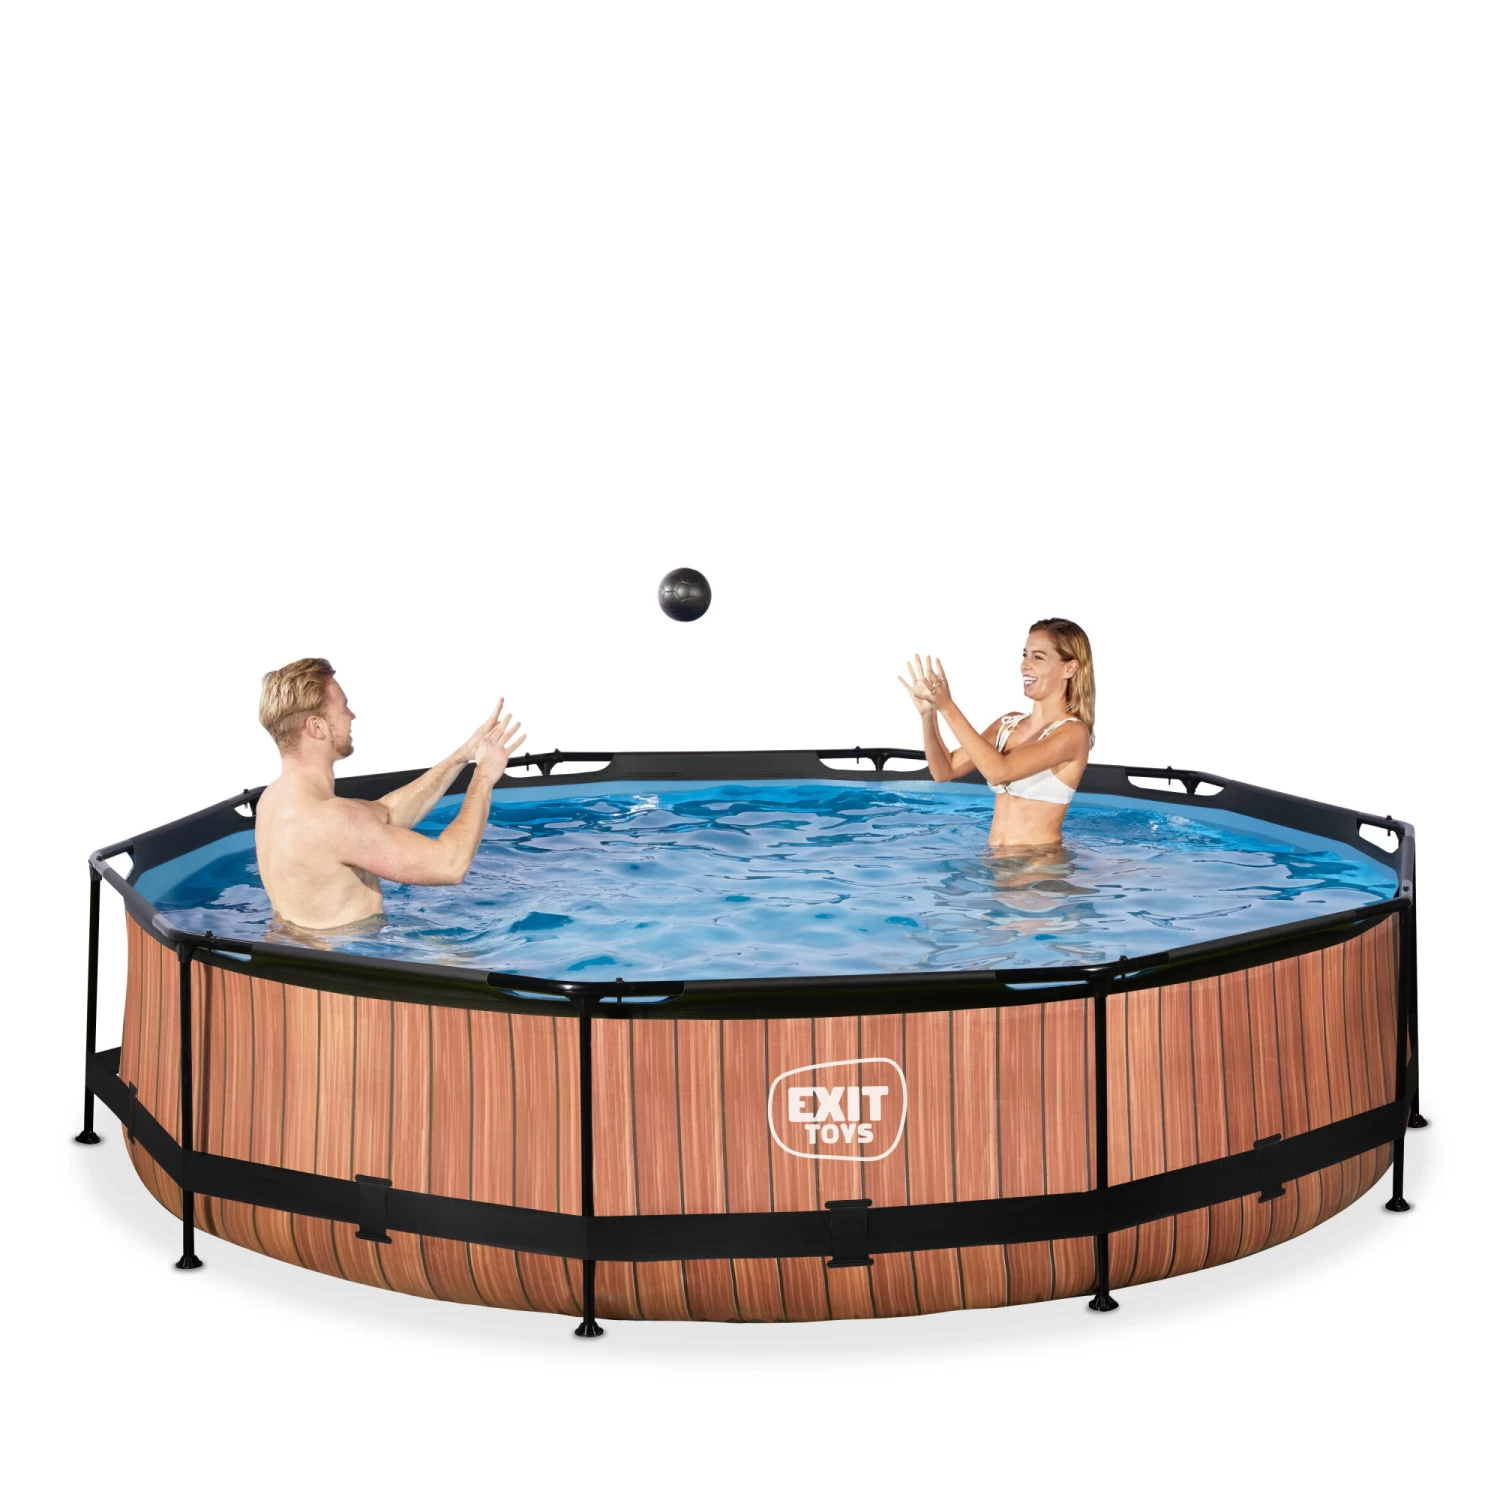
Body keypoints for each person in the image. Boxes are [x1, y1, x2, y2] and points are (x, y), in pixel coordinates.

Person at [253, 658, 525, 931]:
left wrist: (462, 755)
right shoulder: (334, 820)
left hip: (303, 945)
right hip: (354, 952)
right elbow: (450, 864)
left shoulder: (272, 800)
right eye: (343, 707)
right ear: (317, 727)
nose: (352, 716)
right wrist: (484, 777)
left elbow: (387, 813)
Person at [898, 618, 1095, 849]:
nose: (1024, 665)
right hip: (995, 858)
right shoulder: (1007, 725)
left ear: (1069, 668)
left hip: (1040, 862)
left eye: (1038, 657)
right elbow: (944, 771)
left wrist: (948, 707)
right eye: (1025, 655)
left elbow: (999, 773)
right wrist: (928, 715)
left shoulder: (1073, 733)